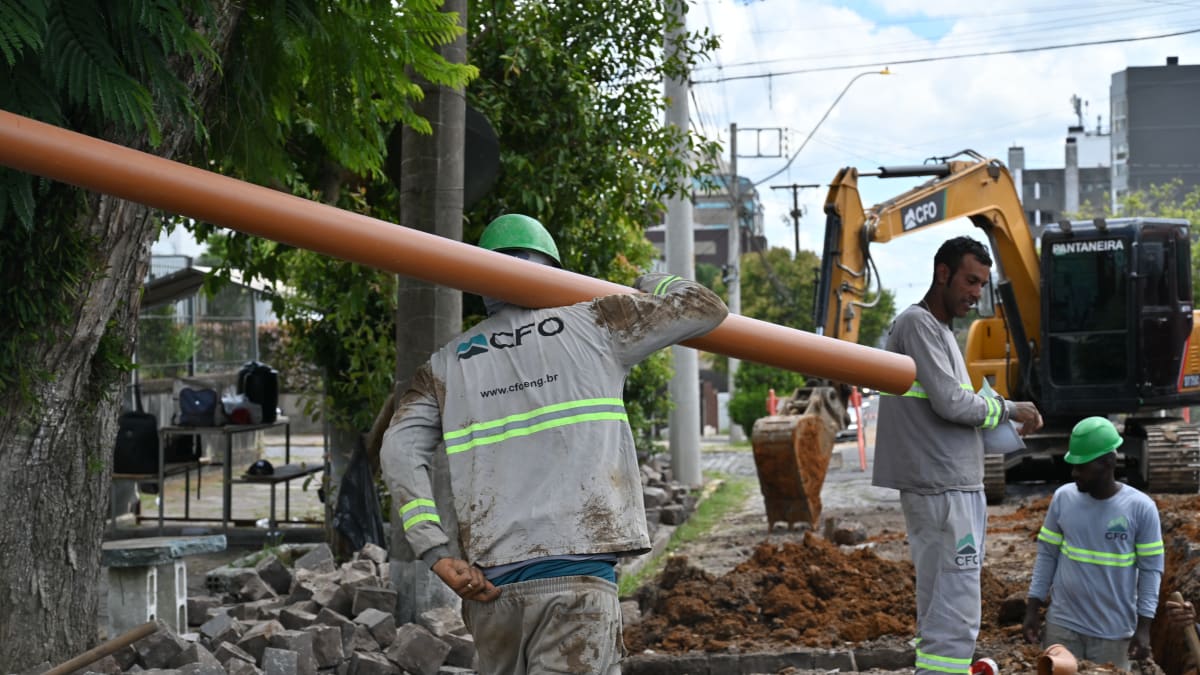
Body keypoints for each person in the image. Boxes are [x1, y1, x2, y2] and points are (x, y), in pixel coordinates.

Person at [380, 213, 728, 675]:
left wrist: (436, 552)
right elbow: (705, 307)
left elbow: (398, 451)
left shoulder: (446, 365)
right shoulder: (598, 321)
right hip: (578, 580)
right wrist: (650, 280)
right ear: (553, 268)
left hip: (491, 589)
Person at [873, 236, 1043, 675]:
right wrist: (1008, 408)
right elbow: (951, 403)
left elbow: (952, 404)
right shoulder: (919, 325)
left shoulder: (940, 330)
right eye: (970, 280)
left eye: (983, 284)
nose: (976, 293)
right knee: (956, 611)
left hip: (947, 486)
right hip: (943, 489)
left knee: (944, 605)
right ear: (943, 273)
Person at [1021, 416, 1165, 671]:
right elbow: (1047, 556)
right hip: (1063, 628)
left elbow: (1151, 571)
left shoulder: (1141, 508)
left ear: (1109, 462)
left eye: (1083, 466)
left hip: (1113, 634)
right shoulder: (1064, 498)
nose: (1075, 473)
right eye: (1073, 465)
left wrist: (1144, 628)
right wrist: (1033, 608)